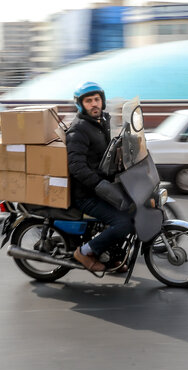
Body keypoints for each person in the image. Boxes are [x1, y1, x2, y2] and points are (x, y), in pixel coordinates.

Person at [66, 82, 133, 272]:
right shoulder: (78, 129)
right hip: (86, 194)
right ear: (81, 105)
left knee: (131, 208)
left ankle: (112, 257)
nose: (94, 104)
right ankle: (85, 252)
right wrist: (100, 184)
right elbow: (76, 166)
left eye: (97, 99)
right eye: (89, 101)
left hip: (101, 185)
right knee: (123, 222)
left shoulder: (100, 122)